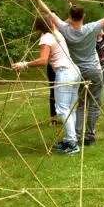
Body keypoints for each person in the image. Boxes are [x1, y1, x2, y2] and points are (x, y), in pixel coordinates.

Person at [22, 0, 104, 146]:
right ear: (83, 16)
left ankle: (78, 134)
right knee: (95, 103)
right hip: (94, 70)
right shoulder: (92, 28)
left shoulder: (65, 29)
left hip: (77, 72)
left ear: (70, 16)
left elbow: (48, 13)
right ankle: (89, 135)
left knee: (80, 104)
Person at [13, 16, 81, 154]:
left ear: (38, 28)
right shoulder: (57, 34)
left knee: (63, 109)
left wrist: (23, 65)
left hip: (65, 73)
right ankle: (70, 139)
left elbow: (43, 60)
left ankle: (72, 143)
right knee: (70, 109)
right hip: (75, 72)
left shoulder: (46, 39)